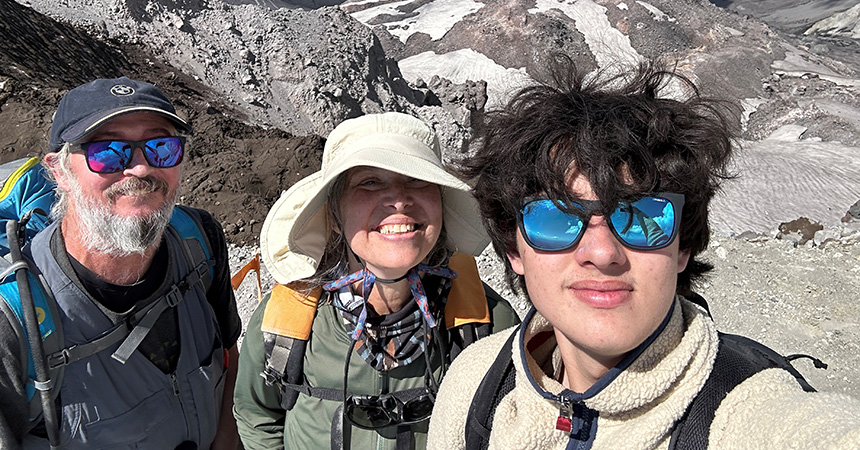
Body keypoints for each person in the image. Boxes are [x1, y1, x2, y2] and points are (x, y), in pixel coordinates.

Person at [426, 61, 860, 449]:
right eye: (556, 218)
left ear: (683, 246)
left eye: (639, 216)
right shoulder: (474, 383)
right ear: (513, 247)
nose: (602, 252)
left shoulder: (747, 410)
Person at [233, 112, 520, 449]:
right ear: (334, 217)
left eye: (416, 179)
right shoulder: (284, 322)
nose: (399, 199)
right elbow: (256, 416)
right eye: (369, 181)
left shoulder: (487, 324)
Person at [0, 77, 241, 449]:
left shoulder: (199, 239)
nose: (141, 169)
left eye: (161, 146)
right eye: (108, 152)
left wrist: (226, 436)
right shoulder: (12, 320)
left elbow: (226, 351)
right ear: (59, 172)